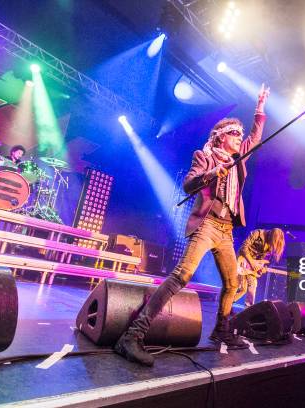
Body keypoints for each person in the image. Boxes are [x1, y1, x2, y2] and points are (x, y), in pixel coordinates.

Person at [114, 84, 270, 366]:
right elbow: (189, 183)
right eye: (234, 133)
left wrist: (260, 108)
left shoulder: (239, 158)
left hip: (226, 230)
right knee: (181, 275)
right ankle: (131, 337)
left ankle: (221, 331)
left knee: (232, 282)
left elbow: (255, 137)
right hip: (208, 224)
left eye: (239, 133)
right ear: (221, 138)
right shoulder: (205, 156)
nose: (239, 137)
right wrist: (213, 172)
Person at [234, 228, 285, 307]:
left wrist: (262, 269)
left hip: (252, 268)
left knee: (253, 286)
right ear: (272, 236)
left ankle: (248, 311)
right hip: (242, 261)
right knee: (243, 289)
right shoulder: (257, 233)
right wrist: (251, 262)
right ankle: (227, 305)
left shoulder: (270, 246)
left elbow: (265, 262)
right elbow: (244, 247)